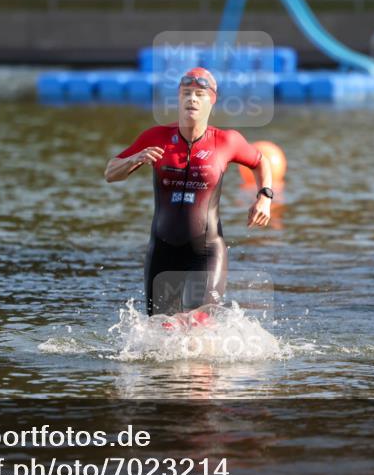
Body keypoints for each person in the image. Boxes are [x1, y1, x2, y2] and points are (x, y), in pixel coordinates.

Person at [105, 67, 273, 317]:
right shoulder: (156, 137)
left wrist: (265, 197)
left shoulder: (226, 141)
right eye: (186, 93)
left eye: (199, 94)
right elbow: (110, 173)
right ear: (178, 98)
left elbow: (261, 162)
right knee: (161, 329)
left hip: (206, 250)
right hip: (162, 250)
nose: (191, 99)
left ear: (211, 100)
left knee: (197, 322)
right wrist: (135, 159)